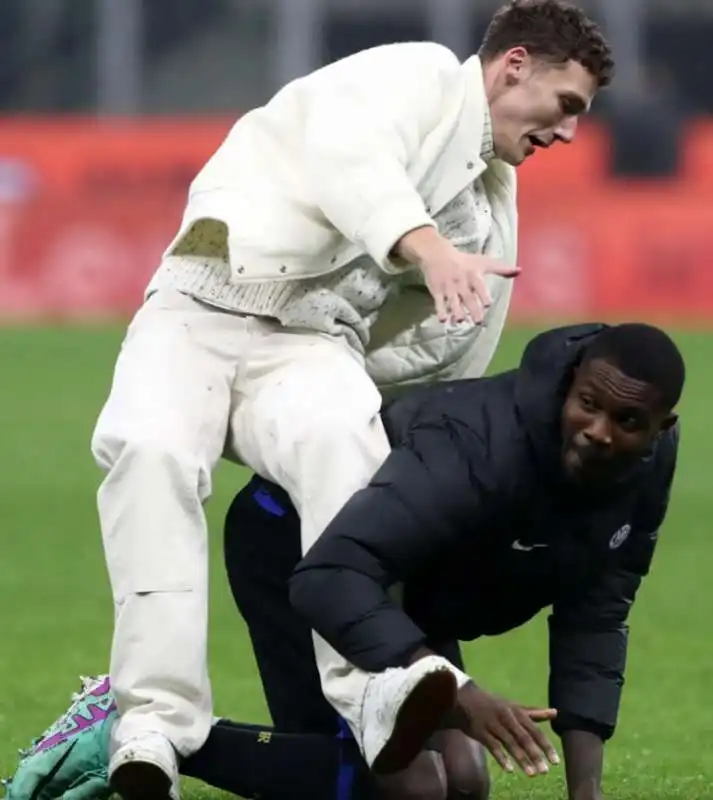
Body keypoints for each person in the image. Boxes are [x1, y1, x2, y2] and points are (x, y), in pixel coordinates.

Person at [89, 1, 614, 796]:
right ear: (513, 66)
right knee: (149, 453)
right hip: (198, 308)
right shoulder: (416, 76)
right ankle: (154, 723)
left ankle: (374, 691)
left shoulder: (490, 202)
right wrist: (428, 248)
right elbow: (346, 154)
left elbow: (446, 355)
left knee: (350, 446)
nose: (567, 133)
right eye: (565, 105)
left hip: (308, 343)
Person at [6, 322, 682, 800]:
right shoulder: (476, 443)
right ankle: (129, 727)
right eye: (587, 406)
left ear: (659, 429)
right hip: (299, 549)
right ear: (568, 387)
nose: (598, 432)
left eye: (626, 423)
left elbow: (596, 616)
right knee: (410, 788)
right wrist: (455, 691)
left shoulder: (643, 471)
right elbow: (333, 573)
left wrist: (585, 791)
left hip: (408, 582)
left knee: (467, 782)